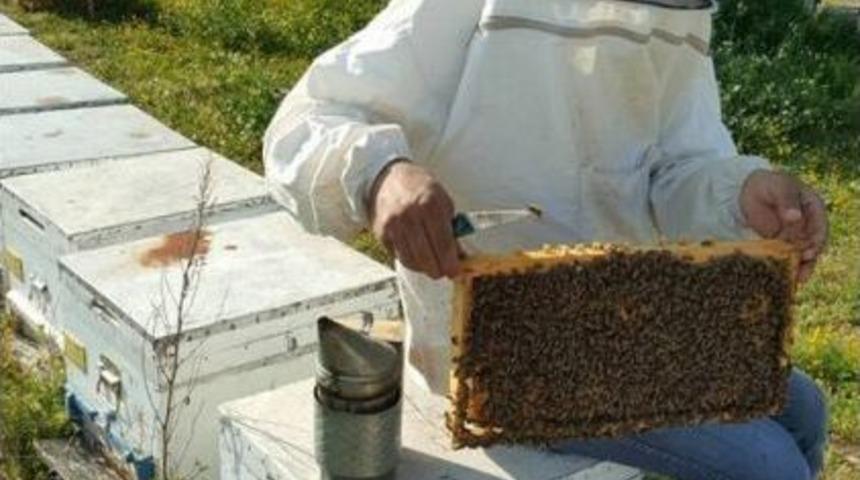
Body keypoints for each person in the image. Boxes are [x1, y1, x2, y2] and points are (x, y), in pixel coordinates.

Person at [263, 1, 830, 478]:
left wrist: (741, 192)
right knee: (770, 466)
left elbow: (673, 165)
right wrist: (381, 175)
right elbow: (307, 121)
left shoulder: (676, 13)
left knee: (806, 408)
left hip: (630, 316)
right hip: (501, 356)